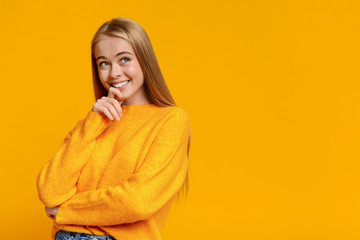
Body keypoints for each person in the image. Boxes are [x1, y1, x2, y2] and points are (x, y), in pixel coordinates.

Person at [36, 17, 192, 240]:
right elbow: (50, 192)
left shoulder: (171, 120)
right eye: (104, 63)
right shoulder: (91, 124)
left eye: (125, 59)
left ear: (145, 60)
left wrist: (67, 211)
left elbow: (137, 201)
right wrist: (94, 121)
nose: (114, 73)